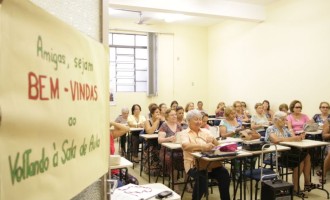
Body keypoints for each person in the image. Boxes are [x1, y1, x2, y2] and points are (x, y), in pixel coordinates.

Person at [265, 111, 319, 197]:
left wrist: (300, 137)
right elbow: (276, 140)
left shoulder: (285, 129)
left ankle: (307, 183)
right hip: (276, 155)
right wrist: (292, 138)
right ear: (276, 120)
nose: (286, 121)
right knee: (299, 160)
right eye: (283, 119)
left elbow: (292, 138)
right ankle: (296, 188)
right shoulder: (270, 129)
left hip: (287, 153)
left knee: (307, 156)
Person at [181, 110, 230, 200]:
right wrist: (203, 146)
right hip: (193, 165)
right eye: (196, 119)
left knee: (224, 173)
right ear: (188, 121)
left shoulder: (206, 131)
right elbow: (185, 146)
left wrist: (213, 140)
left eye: (200, 119)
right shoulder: (184, 133)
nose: (199, 122)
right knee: (202, 178)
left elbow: (218, 146)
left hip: (210, 163)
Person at [158, 109, 184, 193]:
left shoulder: (179, 126)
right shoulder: (164, 126)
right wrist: (169, 139)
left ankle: (187, 183)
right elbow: (160, 140)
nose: (175, 116)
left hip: (178, 149)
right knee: (172, 158)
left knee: (188, 158)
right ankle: (175, 182)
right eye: (172, 115)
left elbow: (183, 136)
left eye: (175, 115)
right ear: (167, 117)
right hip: (167, 150)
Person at [110, 122, 139, 186]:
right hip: (106, 173)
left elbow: (126, 129)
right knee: (121, 186)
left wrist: (112, 122)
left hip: (114, 168)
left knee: (134, 182)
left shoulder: (110, 134)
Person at [142, 105, 164, 174]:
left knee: (165, 150)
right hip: (150, 144)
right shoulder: (147, 122)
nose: (158, 114)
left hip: (159, 144)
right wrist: (157, 120)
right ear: (152, 114)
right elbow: (150, 131)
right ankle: (152, 169)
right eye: (156, 112)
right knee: (154, 149)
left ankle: (162, 169)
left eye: (159, 112)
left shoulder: (162, 122)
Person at [318, 119, 330, 184]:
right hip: (328, 143)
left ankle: (322, 171)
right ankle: (323, 174)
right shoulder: (328, 121)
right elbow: (324, 136)